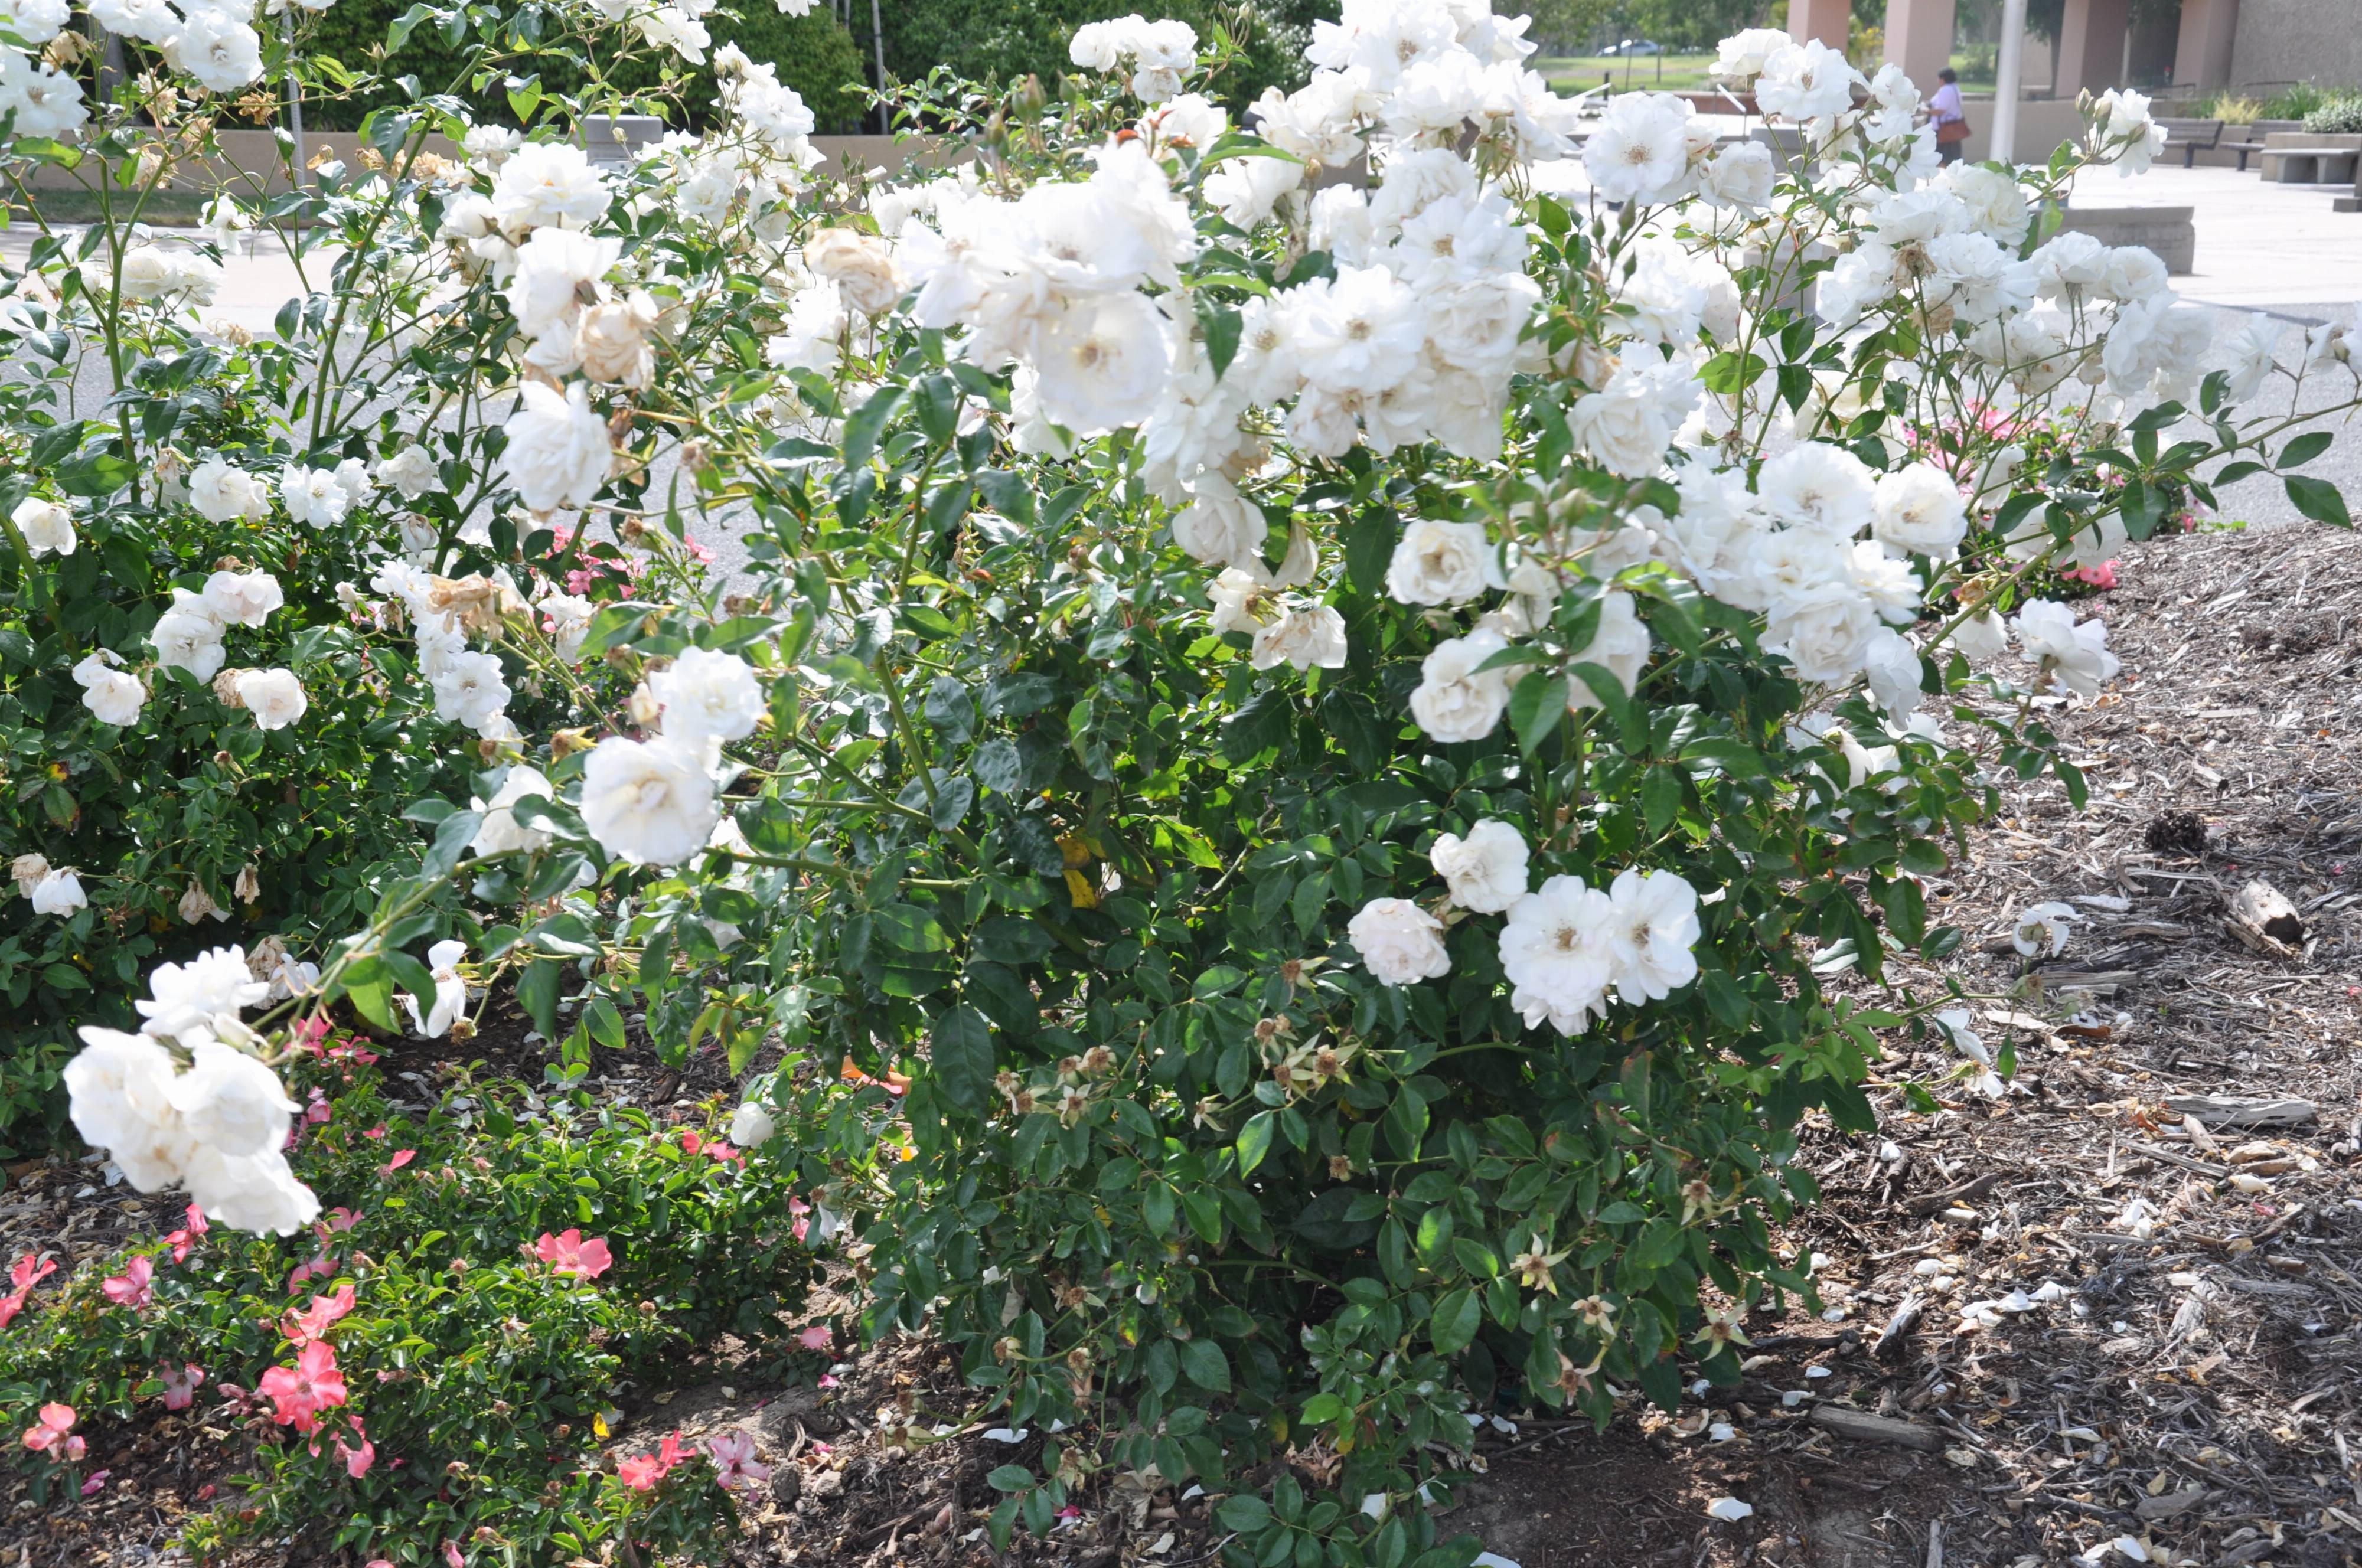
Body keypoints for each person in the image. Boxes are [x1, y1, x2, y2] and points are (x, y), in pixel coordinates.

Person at [1928, 67, 1969, 164]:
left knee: (1942, 155)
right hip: (1953, 126)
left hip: (1943, 128)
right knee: (1952, 153)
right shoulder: (1955, 88)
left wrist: (1928, 112)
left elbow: (1941, 109)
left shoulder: (1946, 90)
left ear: (1942, 79)